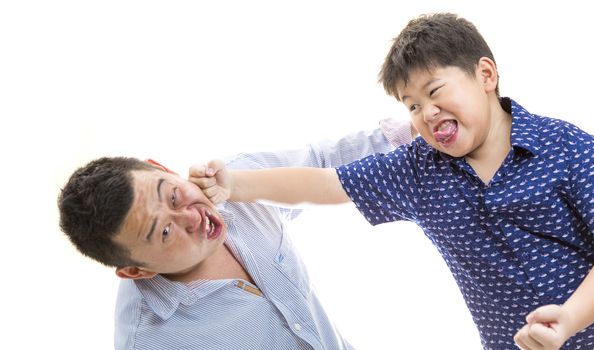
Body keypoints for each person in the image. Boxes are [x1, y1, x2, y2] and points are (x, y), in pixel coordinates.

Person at [190, 13, 594, 350]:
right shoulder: (418, 169)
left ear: (485, 74)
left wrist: (569, 319)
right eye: (413, 105)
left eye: (435, 91)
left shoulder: (567, 148)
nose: (428, 111)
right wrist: (236, 185)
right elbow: (326, 184)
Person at [57, 119, 414, 349]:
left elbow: (321, 162)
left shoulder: (234, 184)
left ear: (162, 168)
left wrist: (416, 128)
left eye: (174, 194)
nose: (192, 217)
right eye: (165, 231)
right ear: (137, 271)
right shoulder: (152, 341)